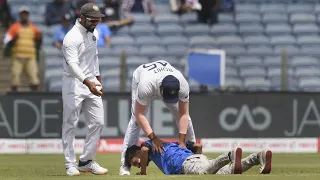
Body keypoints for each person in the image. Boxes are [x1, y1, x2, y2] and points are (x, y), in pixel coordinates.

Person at [119, 60, 196, 175]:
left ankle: (193, 155)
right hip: (143, 78)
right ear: (160, 87)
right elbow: (140, 115)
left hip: (160, 77)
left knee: (185, 116)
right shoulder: (145, 85)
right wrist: (154, 139)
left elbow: (183, 114)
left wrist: (181, 141)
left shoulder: (183, 84)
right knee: (135, 120)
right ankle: (125, 165)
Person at [61, 2, 108, 176]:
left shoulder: (93, 33)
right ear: (82, 18)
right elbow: (72, 65)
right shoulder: (71, 38)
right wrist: (87, 82)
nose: (96, 23)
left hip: (91, 82)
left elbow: (93, 58)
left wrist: (97, 78)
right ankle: (70, 164)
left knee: (98, 122)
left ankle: (86, 161)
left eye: (98, 20)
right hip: (73, 83)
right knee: (70, 124)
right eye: (92, 20)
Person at [125, 140, 273, 175]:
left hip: (185, 164)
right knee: (228, 172)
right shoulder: (172, 143)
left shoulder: (150, 146)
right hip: (198, 159)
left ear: (135, 153)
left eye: (134, 162)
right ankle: (258, 156)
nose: (138, 165)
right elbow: (197, 146)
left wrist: (143, 173)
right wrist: (197, 158)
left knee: (204, 173)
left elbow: (144, 150)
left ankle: (229, 155)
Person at [3, 7, 42, 92]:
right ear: (20, 15)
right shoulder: (14, 27)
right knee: (15, 77)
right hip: (18, 57)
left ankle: (35, 96)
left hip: (30, 56)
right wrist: (14, 39)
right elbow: (7, 42)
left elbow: (39, 38)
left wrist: (37, 45)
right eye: (23, 14)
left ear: (28, 16)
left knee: (34, 78)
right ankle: (13, 96)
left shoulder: (33, 28)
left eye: (26, 14)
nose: (24, 16)